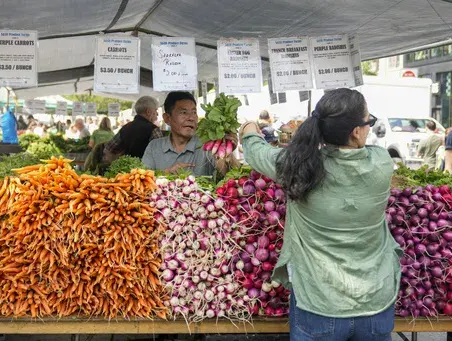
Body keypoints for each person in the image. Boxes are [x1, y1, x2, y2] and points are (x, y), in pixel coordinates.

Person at [239, 88, 401, 340]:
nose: (369, 128)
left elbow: (256, 152)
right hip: (374, 304)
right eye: (369, 122)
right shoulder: (381, 162)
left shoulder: (298, 166)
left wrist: (249, 129)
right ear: (357, 132)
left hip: (318, 305)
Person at [142, 91, 238, 176]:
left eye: (194, 112)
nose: (191, 118)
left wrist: (227, 154)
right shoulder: (154, 146)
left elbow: (227, 175)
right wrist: (166, 173)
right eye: (184, 112)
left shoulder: (207, 145)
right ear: (167, 118)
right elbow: (142, 179)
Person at [103, 96, 163, 160]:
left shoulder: (125, 128)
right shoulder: (153, 129)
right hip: (147, 169)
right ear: (148, 112)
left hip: (127, 169)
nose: (157, 114)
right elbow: (162, 154)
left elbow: (108, 150)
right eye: (156, 110)